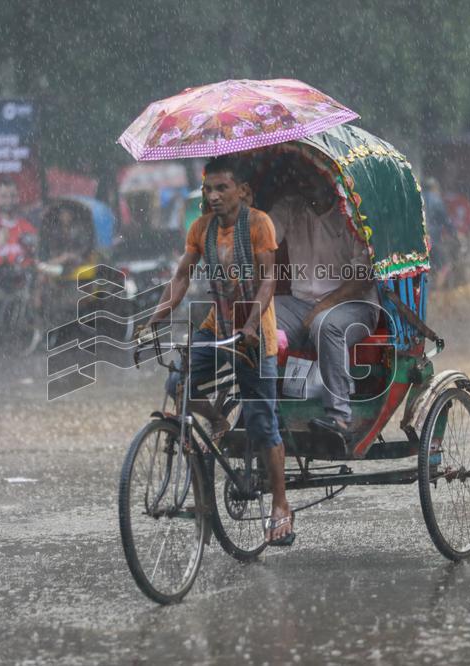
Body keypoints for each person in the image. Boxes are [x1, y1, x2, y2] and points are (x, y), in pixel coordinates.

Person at [140, 156, 294, 546]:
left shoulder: (259, 223)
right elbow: (180, 278)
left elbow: (267, 282)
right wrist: (155, 319)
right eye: (208, 189)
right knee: (179, 383)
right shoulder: (201, 229)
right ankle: (218, 421)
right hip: (217, 324)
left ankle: (280, 505)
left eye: (222, 188)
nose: (213, 196)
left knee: (262, 423)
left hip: (255, 329)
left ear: (242, 191)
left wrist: (249, 326)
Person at [268, 168, 379, 439]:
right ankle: (265, 409)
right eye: (302, 177)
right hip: (299, 303)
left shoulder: (351, 214)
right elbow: (263, 237)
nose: (305, 183)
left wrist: (322, 307)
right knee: (259, 317)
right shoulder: (290, 208)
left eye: (313, 176)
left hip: (355, 306)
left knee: (325, 325)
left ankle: (340, 417)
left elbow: (362, 279)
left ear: (329, 180)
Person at [0, 180, 38, 269]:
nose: (9, 200)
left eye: (13, 196)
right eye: (4, 196)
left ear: (18, 198)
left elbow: (39, 259)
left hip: (26, 279)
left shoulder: (29, 226)